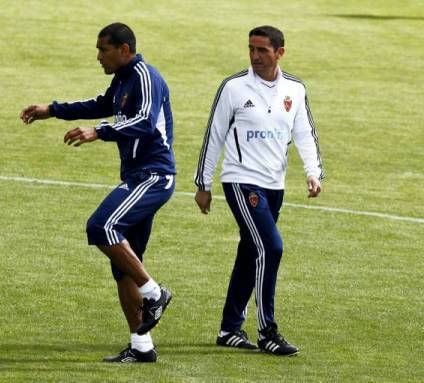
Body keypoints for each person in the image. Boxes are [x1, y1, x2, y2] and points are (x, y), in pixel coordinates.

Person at [20, 22, 176, 363]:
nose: (98, 57)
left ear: (124, 50)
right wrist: (52, 110)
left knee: (101, 227)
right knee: (123, 266)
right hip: (137, 175)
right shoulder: (121, 80)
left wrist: (99, 132)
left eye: (103, 49)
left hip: (154, 176)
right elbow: (99, 104)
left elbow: (145, 123)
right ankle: (141, 347)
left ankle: (155, 292)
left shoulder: (146, 77)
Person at [194, 25, 324, 356]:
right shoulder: (234, 88)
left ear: (280, 52)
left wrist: (313, 172)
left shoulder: (295, 89)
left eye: (262, 50)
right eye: (251, 49)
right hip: (241, 180)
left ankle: (229, 329)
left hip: (274, 184)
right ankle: (267, 331)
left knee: (251, 252)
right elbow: (215, 134)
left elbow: (304, 133)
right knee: (272, 247)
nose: (254, 56)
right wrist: (203, 184)